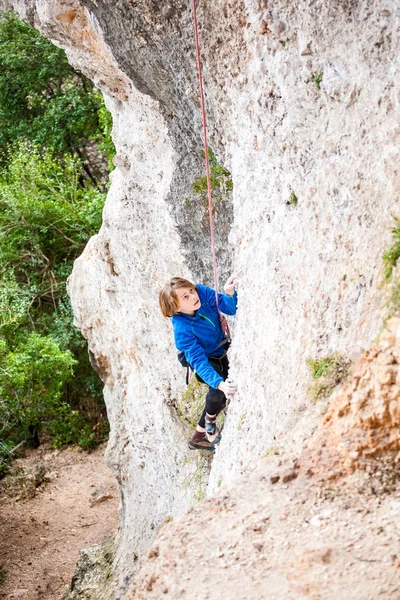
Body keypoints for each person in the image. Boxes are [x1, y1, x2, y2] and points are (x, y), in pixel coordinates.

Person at [159, 273, 238, 451]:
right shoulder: (182, 330)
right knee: (218, 390)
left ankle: (198, 436)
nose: (193, 296)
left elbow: (230, 308)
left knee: (224, 392)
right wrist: (219, 383)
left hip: (221, 346)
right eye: (185, 297)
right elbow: (200, 363)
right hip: (205, 357)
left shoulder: (201, 292)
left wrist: (229, 293)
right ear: (174, 308)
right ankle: (209, 424)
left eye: (191, 291)